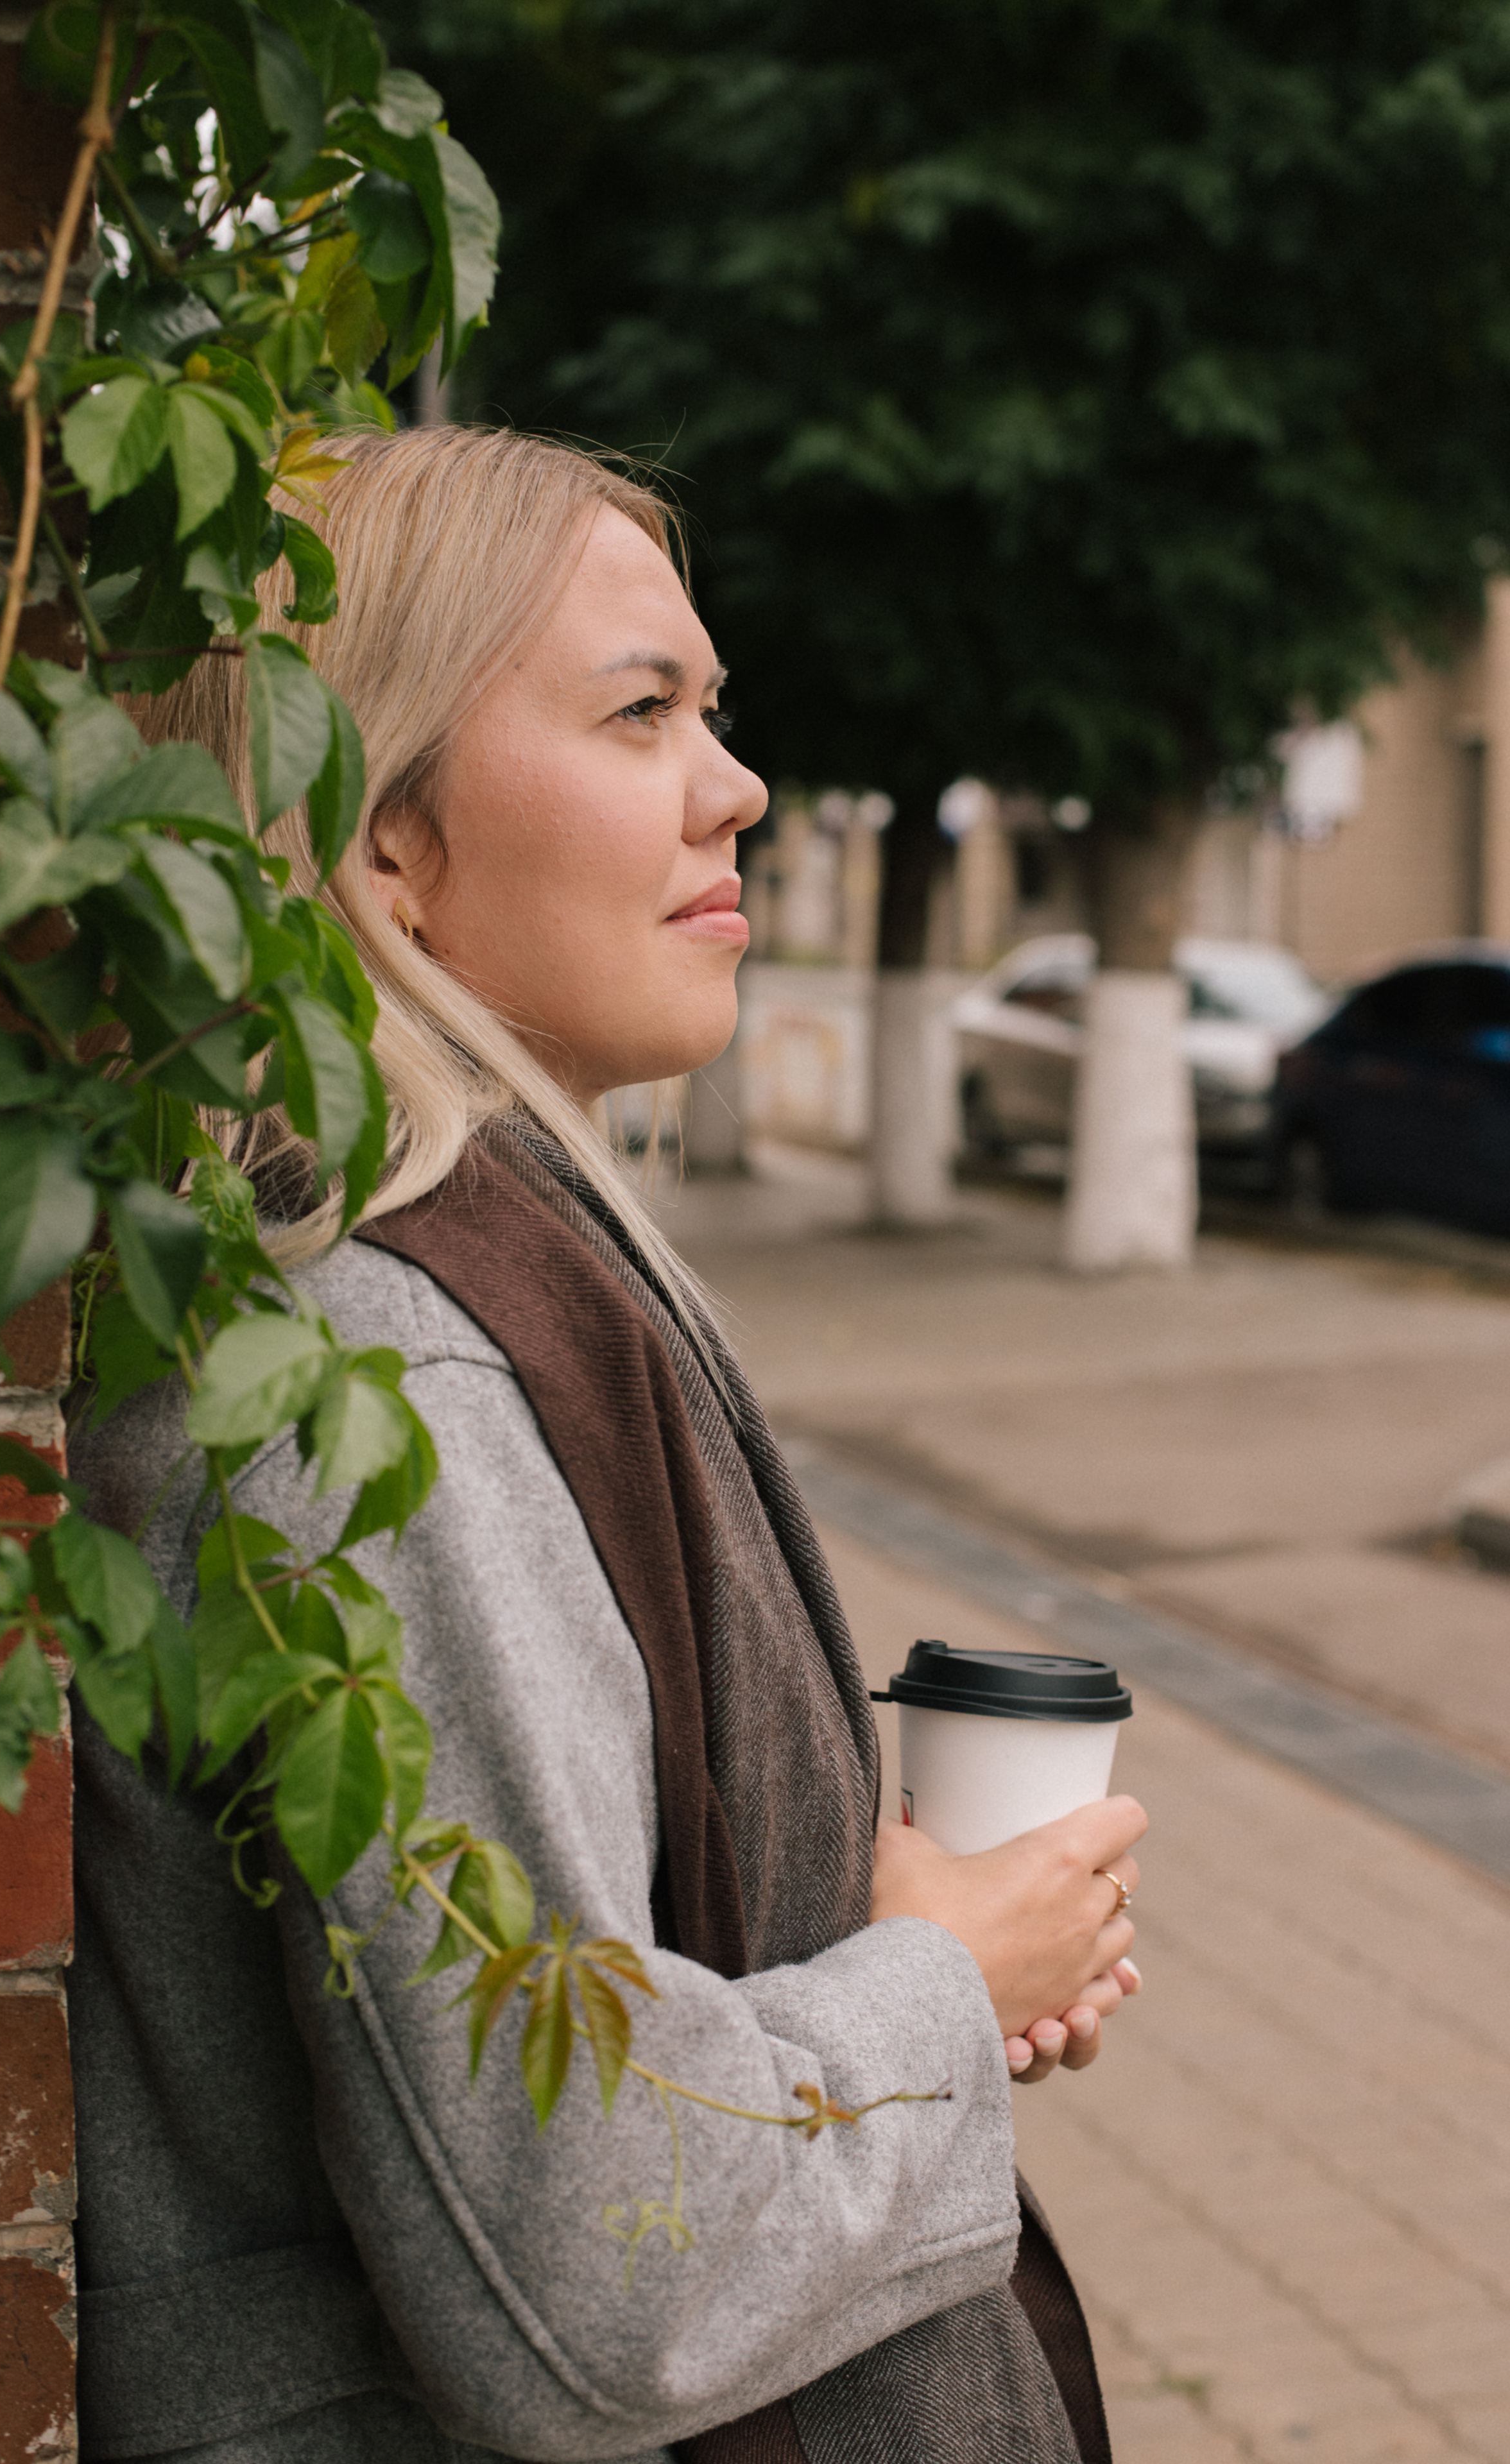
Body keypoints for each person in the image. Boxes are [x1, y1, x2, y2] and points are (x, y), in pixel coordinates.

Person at [67, 425, 1147, 2464]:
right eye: (640, 711)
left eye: (710, 711)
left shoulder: (415, 1282)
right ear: (377, 835)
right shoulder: (372, 1383)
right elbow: (592, 2271)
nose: (735, 785)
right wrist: (932, 1979)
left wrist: (915, 1946)